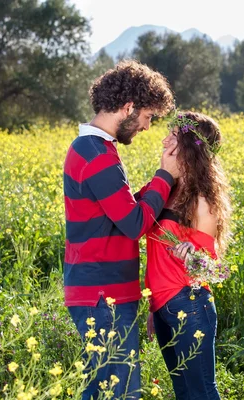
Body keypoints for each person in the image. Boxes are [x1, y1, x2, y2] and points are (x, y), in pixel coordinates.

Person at [63, 60, 178, 400]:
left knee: (105, 391)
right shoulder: (95, 153)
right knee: (119, 392)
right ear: (129, 107)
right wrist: (166, 175)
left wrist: (161, 186)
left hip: (103, 292)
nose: (146, 126)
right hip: (103, 295)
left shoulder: (96, 149)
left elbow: (121, 211)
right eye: (148, 116)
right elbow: (133, 224)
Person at [145, 111, 231, 400]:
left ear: (189, 145)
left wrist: (193, 254)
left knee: (202, 392)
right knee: (184, 392)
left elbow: (213, 270)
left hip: (190, 304)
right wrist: (151, 309)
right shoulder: (166, 187)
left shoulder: (202, 201)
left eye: (173, 135)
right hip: (163, 306)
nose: (164, 139)